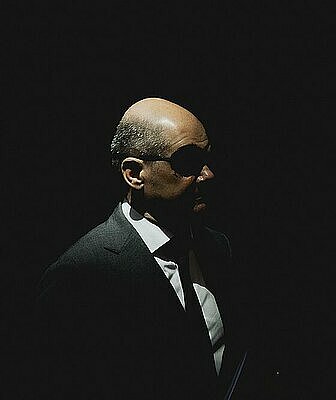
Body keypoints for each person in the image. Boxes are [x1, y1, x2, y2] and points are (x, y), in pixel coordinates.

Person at [35, 98, 247, 399]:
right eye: (187, 162)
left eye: (206, 159)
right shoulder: (79, 276)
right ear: (134, 174)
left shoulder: (216, 248)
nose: (207, 175)